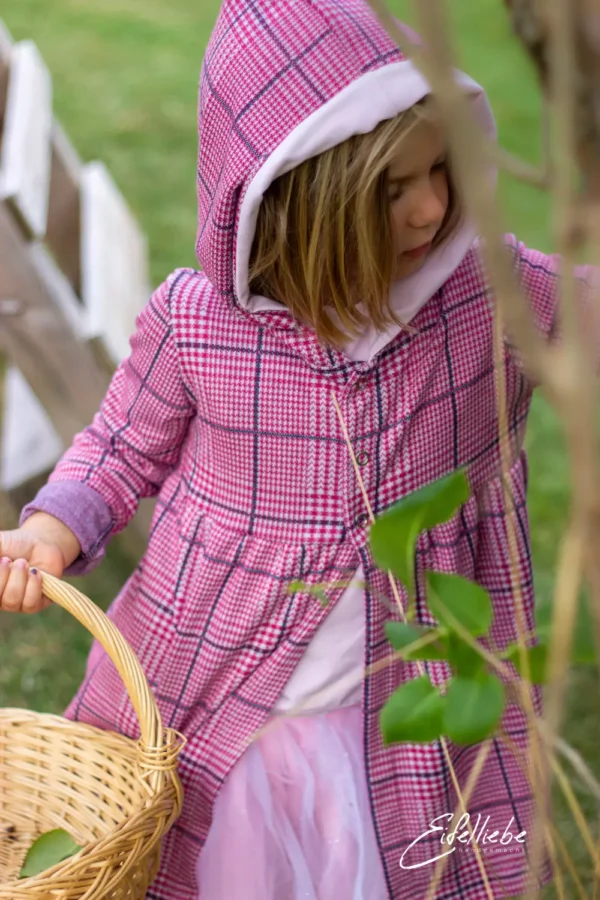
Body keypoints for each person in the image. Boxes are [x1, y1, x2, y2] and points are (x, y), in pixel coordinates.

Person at [0, 0, 585, 897]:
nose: (432, 207)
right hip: (220, 696)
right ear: (290, 200)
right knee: (221, 863)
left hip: (404, 712)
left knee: (392, 859)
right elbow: (118, 447)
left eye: (441, 168)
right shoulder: (198, 325)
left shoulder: (486, 298)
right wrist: (54, 526)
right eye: (393, 189)